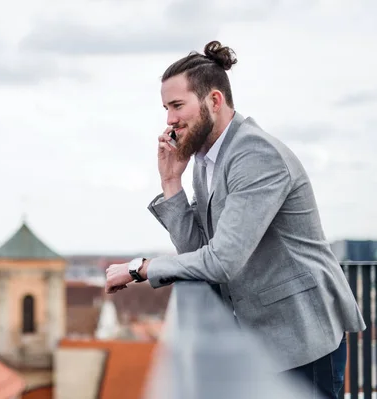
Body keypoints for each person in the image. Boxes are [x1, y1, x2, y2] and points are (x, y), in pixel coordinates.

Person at [104, 40, 365, 398]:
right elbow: (197, 250)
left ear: (214, 100)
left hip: (302, 335)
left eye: (177, 105)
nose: (169, 120)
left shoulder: (255, 154)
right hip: (262, 339)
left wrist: (140, 269)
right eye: (166, 108)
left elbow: (222, 261)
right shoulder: (205, 161)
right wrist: (170, 183)